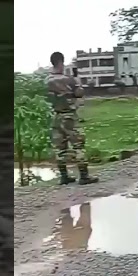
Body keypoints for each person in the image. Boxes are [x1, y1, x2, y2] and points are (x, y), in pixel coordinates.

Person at [46, 51, 97, 185]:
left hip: (56, 116)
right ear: (61, 62)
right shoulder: (67, 79)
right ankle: (84, 176)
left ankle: (64, 176)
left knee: (60, 147)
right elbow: (79, 93)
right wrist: (78, 82)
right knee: (78, 145)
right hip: (69, 116)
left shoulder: (47, 80)